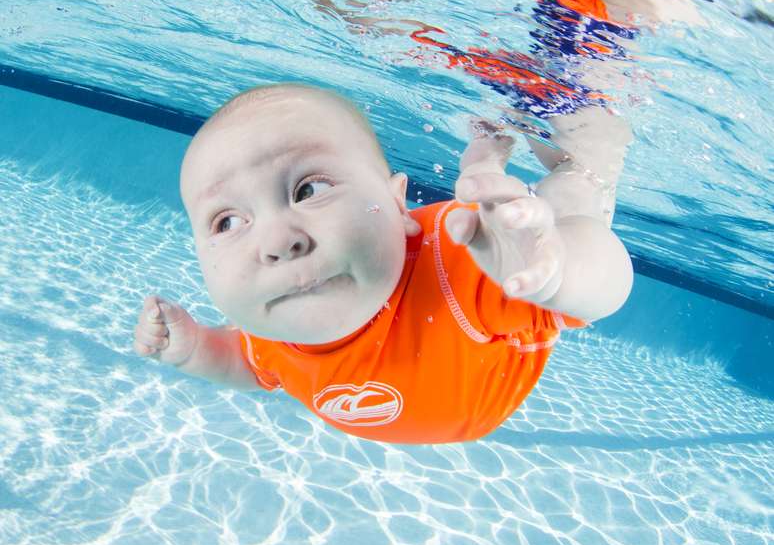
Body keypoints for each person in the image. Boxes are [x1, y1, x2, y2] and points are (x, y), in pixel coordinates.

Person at [133, 83, 632, 444]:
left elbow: (608, 291)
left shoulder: (463, 256)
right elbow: (250, 364)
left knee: (576, 192)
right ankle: (492, 147)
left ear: (399, 205)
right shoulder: (274, 321)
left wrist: (562, 269)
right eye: (226, 222)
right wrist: (196, 350)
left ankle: (557, 124)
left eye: (309, 189)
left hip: (514, 277)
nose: (278, 241)